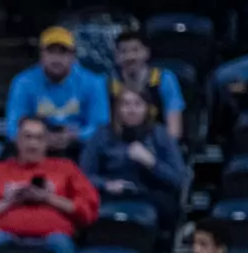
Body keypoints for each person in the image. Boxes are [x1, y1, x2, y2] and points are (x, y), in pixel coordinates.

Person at [0, 116, 99, 253]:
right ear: (17, 139)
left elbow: (88, 211)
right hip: (6, 237)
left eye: (39, 138)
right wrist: (10, 201)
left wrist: (48, 198)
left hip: (54, 239)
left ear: (47, 141)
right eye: (27, 137)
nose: (33, 144)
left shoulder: (66, 169)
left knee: (61, 246)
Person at [79, 87, 186, 228]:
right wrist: (106, 185)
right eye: (126, 104)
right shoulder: (102, 135)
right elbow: (84, 175)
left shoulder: (160, 135)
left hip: (149, 194)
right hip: (110, 194)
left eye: (138, 104)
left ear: (147, 108)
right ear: (117, 109)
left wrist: (151, 162)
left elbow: (179, 178)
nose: (131, 110)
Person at [5, 25, 108, 153]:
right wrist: (41, 137)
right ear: (41, 55)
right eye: (51, 51)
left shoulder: (93, 83)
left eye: (63, 52)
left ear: (73, 56)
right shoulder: (23, 82)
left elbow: (101, 127)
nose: (56, 58)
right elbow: (12, 128)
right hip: (35, 147)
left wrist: (75, 136)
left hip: (78, 148)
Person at [110, 31, 185, 141]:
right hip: (120, 147)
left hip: (158, 145)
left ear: (146, 53)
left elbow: (174, 131)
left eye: (135, 50)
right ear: (117, 56)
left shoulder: (164, 79)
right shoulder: (110, 83)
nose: (130, 56)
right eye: (123, 51)